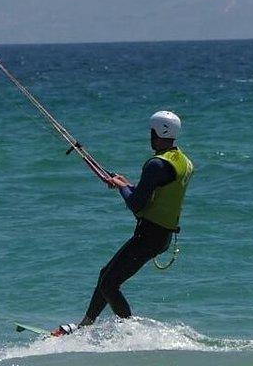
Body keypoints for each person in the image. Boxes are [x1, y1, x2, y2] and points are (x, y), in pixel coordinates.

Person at [51, 111, 194, 336]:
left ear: (156, 132)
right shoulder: (183, 161)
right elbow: (157, 195)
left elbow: (136, 205)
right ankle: (85, 326)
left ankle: (131, 334)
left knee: (109, 284)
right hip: (162, 235)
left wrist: (122, 188)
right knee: (106, 275)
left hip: (150, 235)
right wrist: (127, 184)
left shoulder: (156, 164)